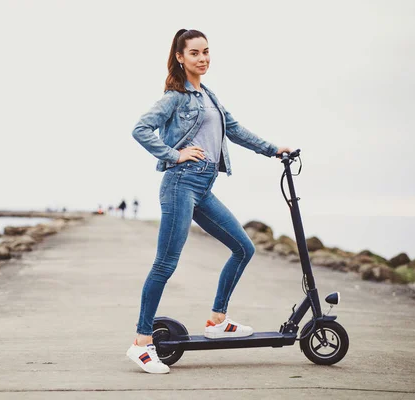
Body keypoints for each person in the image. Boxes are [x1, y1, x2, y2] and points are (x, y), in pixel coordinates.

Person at [126, 29, 293, 374]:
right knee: (165, 264)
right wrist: (174, 154)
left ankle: (217, 319)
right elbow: (141, 129)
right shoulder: (175, 96)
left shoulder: (209, 96)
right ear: (180, 57)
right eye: (195, 53)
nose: (202, 58)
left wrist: (274, 150)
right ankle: (141, 342)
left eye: (206, 52)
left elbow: (234, 129)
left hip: (203, 186)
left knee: (244, 248)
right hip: (180, 184)